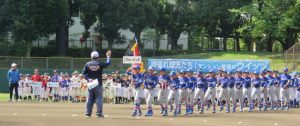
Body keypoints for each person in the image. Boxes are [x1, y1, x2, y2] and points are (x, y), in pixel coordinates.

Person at [82, 50, 111, 118]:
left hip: (90, 83)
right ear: (98, 57)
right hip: (98, 83)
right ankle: (99, 113)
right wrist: (108, 56)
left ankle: (88, 113)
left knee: (90, 98)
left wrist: (88, 79)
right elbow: (107, 63)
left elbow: (83, 74)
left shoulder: (87, 64)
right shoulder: (99, 64)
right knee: (99, 98)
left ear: (91, 57)